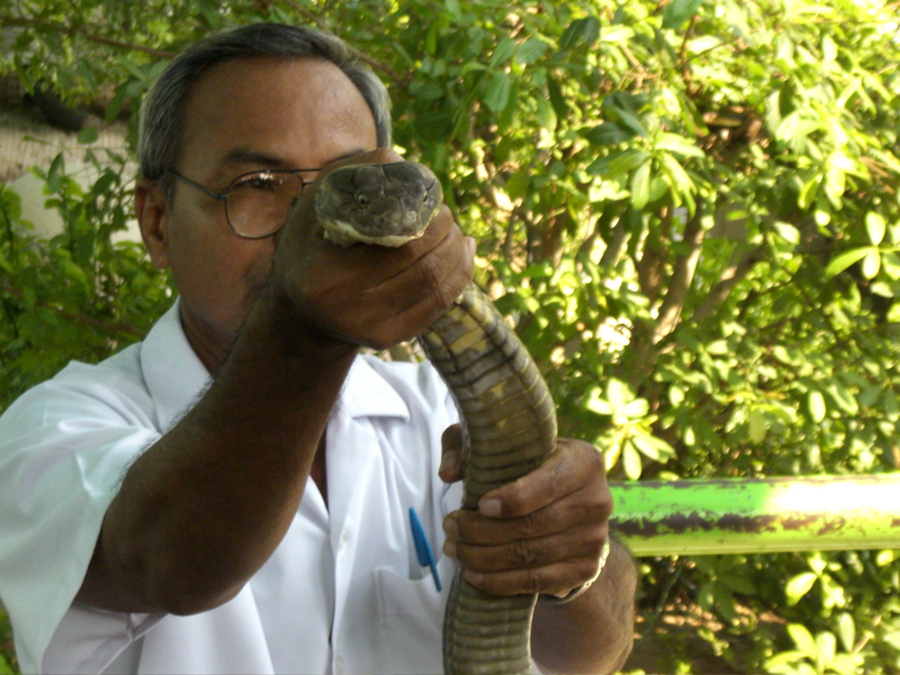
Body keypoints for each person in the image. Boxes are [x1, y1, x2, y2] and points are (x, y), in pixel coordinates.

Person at [0, 23, 636, 675]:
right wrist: (303, 324)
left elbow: (594, 652)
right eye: (256, 182)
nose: (311, 226)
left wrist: (571, 566)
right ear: (158, 222)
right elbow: (168, 560)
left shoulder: (442, 414)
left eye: (347, 180)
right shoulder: (55, 429)